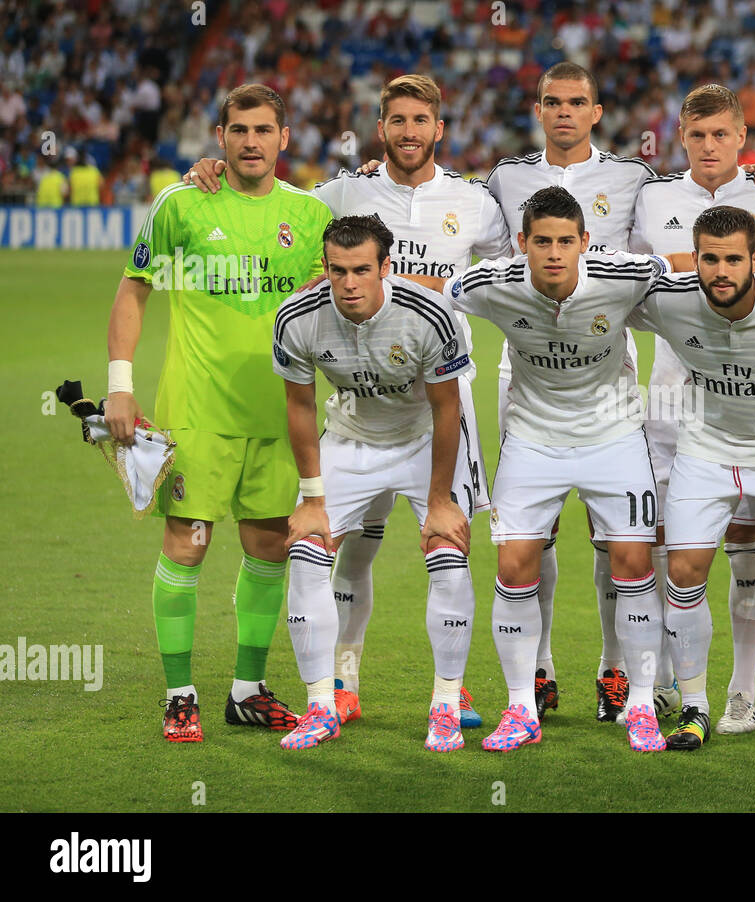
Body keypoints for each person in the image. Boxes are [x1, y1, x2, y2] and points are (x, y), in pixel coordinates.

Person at [184, 74, 507, 730]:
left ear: (439, 128)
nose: (409, 131)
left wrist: (425, 287)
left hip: (441, 395)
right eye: (397, 120)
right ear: (379, 127)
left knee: (448, 537)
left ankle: (454, 689)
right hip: (359, 396)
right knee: (350, 546)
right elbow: (274, 197)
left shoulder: (473, 202)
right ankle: (343, 678)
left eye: (421, 120)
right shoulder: (343, 191)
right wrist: (217, 168)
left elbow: (503, 272)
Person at [105, 84, 333, 742]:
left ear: (285, 138)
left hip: (280, 413)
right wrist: (120, 384)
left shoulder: (310, 214)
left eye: (264, 130)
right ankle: (179, 694)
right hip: (197, 414)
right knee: (187, 544)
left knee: (269, 547)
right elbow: (133, 288)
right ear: (220, 137)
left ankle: (246, 689)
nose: (251, 141)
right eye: (239, 130)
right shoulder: (181, 203)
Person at [434, 186, 674, 752]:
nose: (554, 253)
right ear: (523, 244)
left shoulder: (623, 276)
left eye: (567, 241)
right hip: (532, 439)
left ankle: (641, 704)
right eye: (542, 241)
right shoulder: (490, 283)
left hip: (613, 437)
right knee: (516, 563)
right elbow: (436, 289)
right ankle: (521, 708)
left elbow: (685, 267)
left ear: (585, 243)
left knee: (634, 560)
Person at [627, 206, 755, 752]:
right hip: (704, 454)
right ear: (694, 258)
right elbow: (600, 286)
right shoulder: (669, 299)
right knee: (684, 568)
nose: (721, 271)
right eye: (710, 259)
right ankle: (695, 707)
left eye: (734, 259)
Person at [485, 62, 657, 723]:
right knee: (535, 532)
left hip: (607, 372)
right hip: (525, 369)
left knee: (613, 536)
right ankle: (540, 669)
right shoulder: (505, 178)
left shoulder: (634, 179)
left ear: (596, 111)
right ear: (538, 108)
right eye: (552, 101)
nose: (563, 112)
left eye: (576, 102)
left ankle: (615, 668)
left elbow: (675, 233)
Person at [271, 215, 473, 751]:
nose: (349, 284)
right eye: (337, 271)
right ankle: (321, 704)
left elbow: (447, 408)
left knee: (447, 549)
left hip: (422, 438)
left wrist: (439, 501)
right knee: (306, 551)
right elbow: (299, 404)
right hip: (350, 437)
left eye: (362, 270)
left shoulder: (428, 314)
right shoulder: (297, 318)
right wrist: (312, 499)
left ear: (386, 267)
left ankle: (447, 705)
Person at [630, 83, 755, 734]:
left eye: (722, 134)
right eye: (697, 135)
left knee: (750, 551)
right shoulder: (653, 198)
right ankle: (673, 684)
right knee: (672, 552)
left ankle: (743, 695)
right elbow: (634, 288)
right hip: (671, 395)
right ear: (680, 139)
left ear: (742, 137)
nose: (710, 147)